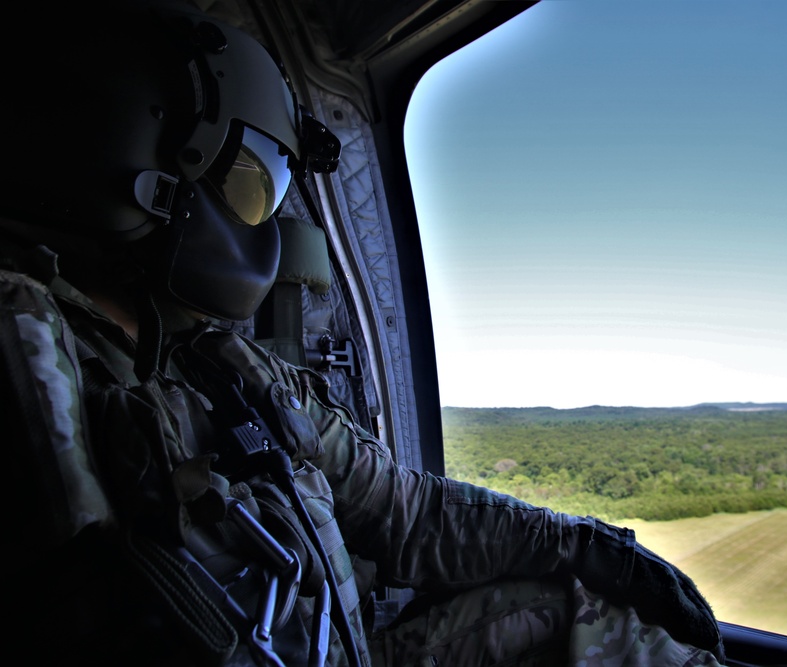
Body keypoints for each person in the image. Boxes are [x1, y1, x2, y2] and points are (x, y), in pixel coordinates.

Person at [0, 2, 726, 666]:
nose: (263, 221)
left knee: (586, 614)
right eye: (251, 186)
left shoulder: (226, 370)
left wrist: (585, 544)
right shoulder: (30, 352)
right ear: (140, 147)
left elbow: (405, 512)